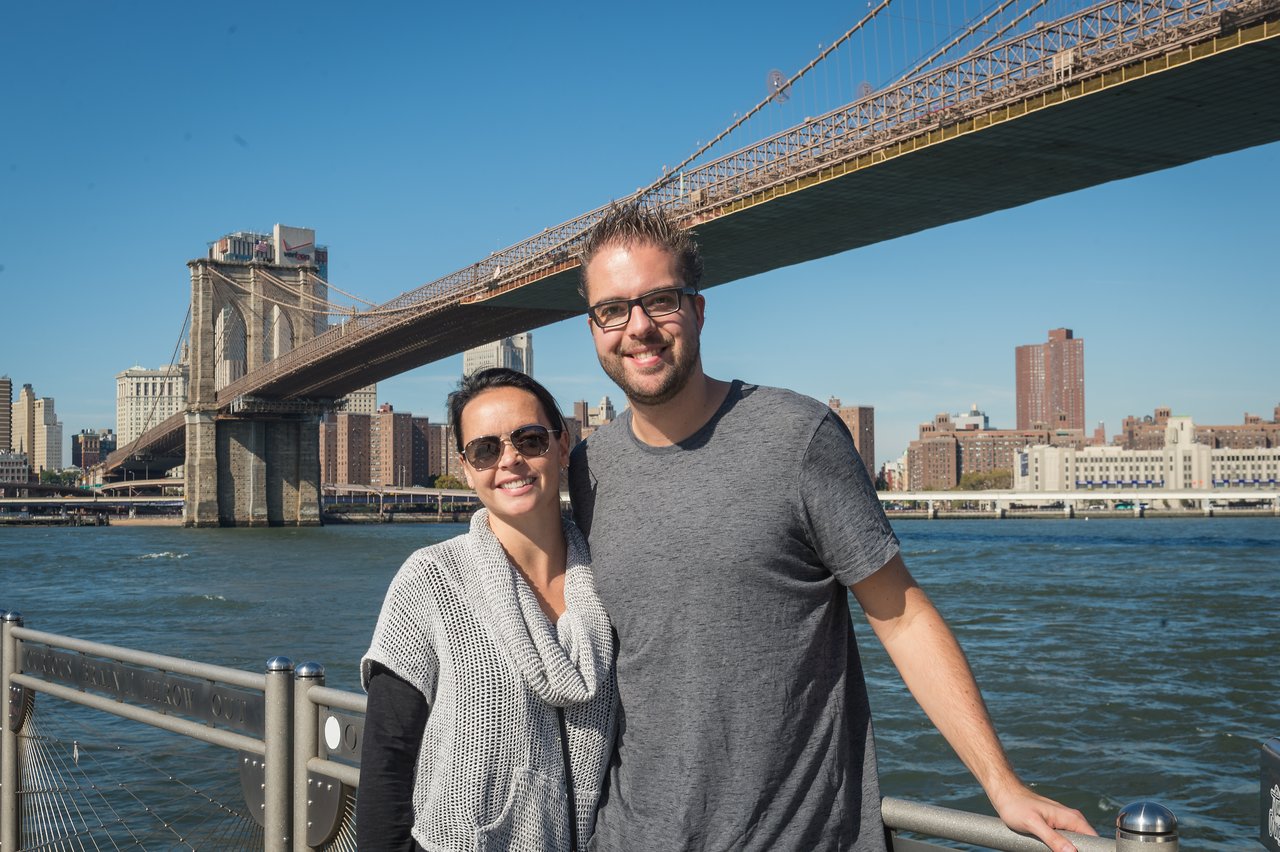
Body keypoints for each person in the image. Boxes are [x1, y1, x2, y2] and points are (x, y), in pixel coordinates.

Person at [567, 204, 1096, 852]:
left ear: (699, 311)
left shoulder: (798, 437)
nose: (639, 327)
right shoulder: (588, 467)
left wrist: (1002, 784)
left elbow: (902, 617)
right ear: (593, 328)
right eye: (612, 310)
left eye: (661, 301)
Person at [358, 367, 616, 852]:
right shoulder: (431, 580)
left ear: (562, 447)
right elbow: (386, 762)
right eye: (486, 450)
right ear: (466, 467)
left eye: (531, 440)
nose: (510, 461)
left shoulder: (611, 580)